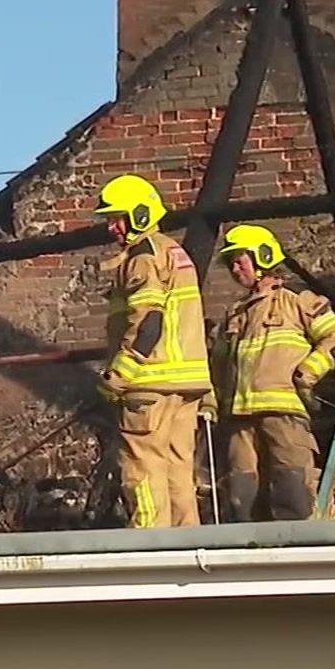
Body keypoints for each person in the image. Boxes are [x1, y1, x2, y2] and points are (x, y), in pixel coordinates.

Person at [93, 174, 212, 528]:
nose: (111, 228)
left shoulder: (142, 257)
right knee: (177, 471)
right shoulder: (173, 252)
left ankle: (147, 543)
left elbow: (149, 322)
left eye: (117, 218)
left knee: (141, 467)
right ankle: (187, 546)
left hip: (149, 384)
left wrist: (118, 376)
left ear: (140, 215)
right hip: (184, 384)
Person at [210, 224, 335, 521]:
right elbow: (218, 364)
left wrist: (309, 372)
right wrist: (213, 402)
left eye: (239, 260)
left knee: (291, 489)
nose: (234, 268)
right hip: (239, 420)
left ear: (262, 257)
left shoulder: (297, 300)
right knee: (240, 496)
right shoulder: (234, 313)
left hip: (284, 413)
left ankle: (298, 557)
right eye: (230, 262)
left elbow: (334, 336)